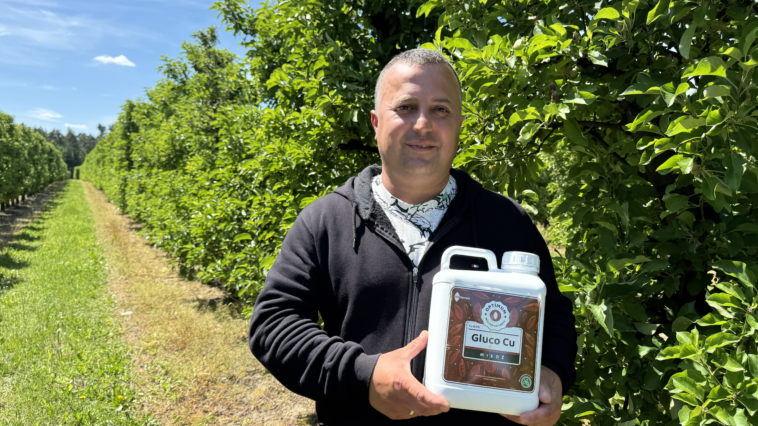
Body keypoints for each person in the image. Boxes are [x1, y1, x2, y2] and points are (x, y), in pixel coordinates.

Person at [248, 48, 577, 425]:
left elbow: (553, 317)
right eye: (405, 107)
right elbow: (273, 324)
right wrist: (364, 375)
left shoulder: (506, 222)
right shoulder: (325, 220)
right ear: (375, 122)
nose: (423, 124)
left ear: (459, 125)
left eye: (441, 109)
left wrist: (552, 374)